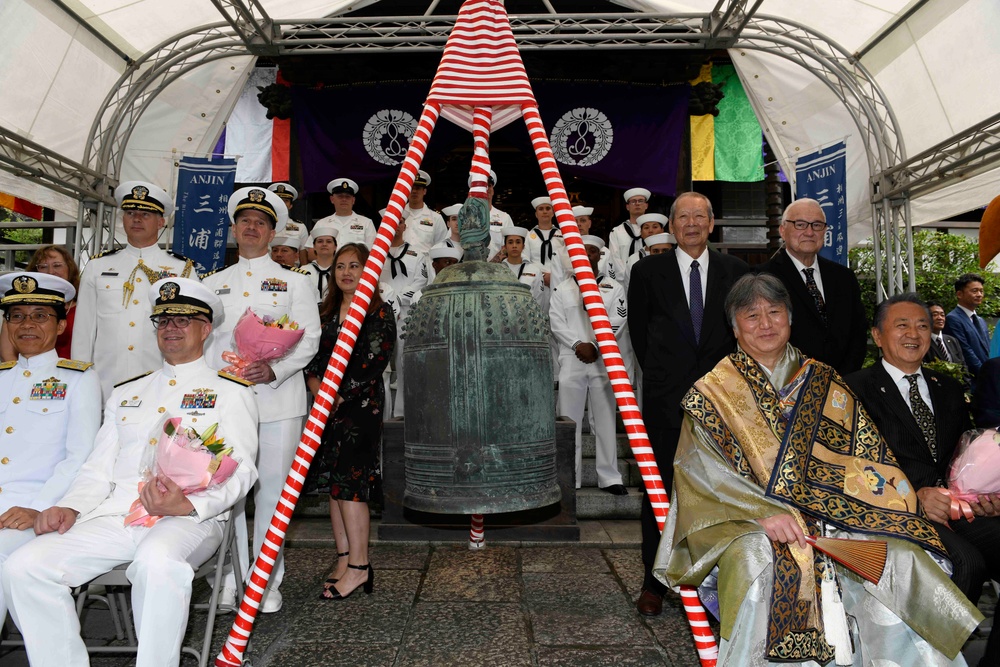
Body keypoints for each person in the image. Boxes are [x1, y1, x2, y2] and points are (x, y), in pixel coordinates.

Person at [655, 274, 981, 666]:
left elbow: (864, 456)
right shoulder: (712, 392)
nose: (765, 323)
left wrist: (849, 509)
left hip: (836, 515)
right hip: (745, 521)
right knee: (761, 559)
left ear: (790, 319)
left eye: (774, 312)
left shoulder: (825, 380)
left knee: (898, 554)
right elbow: (700, 474)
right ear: (734, 326)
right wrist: (761, 514)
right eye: (752, 315)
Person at [2, 277, 259, 667]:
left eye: (183, 321)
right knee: (25, 567)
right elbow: (97, 467)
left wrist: (188, 505)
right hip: (116, 515)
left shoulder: (231, 392)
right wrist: (71, 506)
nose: (171, 329)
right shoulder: (127, 393)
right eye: (164, 321)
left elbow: (242, 472)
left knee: (157, 563)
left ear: (205, 329)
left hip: (189, 520)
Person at [845, 293, 1000, 667]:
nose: (914, 333)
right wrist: (913, 496)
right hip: (895, 512)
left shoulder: (946, 387)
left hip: (955, 508)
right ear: (877, 336)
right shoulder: (852, 389)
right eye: (901, 325)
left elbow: (964, 456)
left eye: (922, 326)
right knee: (966, 563)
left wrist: (987, 493)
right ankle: (940, 659)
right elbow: (851, 468)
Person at [628, 191, 749, 616]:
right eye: (684, 216)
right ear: (671, 225)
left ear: (712, 223)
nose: (692, 223)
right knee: (659, 488)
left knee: (722, 491)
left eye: (700, 216)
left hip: (722, 403)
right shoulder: (647, 271)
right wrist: (667, 378)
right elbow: (641, 337)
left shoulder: (737, 271)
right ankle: (653, 582)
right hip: (667, 402)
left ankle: (718, 582)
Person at [202, 186, 321, 613]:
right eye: (245, 221)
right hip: (228, 405)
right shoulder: (211, 285)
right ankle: (233, 575)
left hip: (278, 402)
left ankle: (266, 580)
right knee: (229, 496)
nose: (252, 227)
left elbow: (309, 338)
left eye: (261, 222)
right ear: (234, 229)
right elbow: (202, 345)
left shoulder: (295, 281)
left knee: (272, 493)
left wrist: (276, 369)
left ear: (273, 232)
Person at [0, 272, 101, 623]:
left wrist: (38, 509)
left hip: (34, 513)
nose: (27, 324)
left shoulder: (79, 378)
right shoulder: (1, 378)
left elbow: (80, 458)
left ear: (60, 326)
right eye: (17, 316)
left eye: (40, 315)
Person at [305, 243, 395, 601]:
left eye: (354, 266)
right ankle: (344, 559)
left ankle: (360, 567)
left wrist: (337, 395)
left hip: (360, 407)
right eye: (340, 266)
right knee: (335, 483)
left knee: (352, 483)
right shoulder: (324, 312)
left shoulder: (378, 312)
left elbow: (373, 360)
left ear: (368, 270)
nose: (346, 272)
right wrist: (317, 388)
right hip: (325, 407)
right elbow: (312, 356)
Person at [73, 180, 198, 400]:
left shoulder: (182, 269)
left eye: (145, 214)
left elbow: (194, 331)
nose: (137, 219)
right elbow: (84, 331)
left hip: (161, 384)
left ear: (161, 222)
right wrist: (79, 380)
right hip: (106, 385)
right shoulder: (97, 266)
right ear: (123, 219)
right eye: (130, 213)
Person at [549, 235, 628, 495]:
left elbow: (619, 319)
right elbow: (556, 322)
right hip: (572, 359)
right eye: (582, 251)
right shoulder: (562, 288)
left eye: (592, 251)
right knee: (569, 421)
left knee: (605, 420)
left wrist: (595, 344)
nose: (587, 255)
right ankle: (570, 477)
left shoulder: (613, 287)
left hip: (603, 359)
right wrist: (577, 344)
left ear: (599, 255)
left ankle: (610, 477)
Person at [758, 198, 867, 376]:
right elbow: (761, 338)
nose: (809, 232)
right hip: (787, 386)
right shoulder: (763, 278)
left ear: (824, 231)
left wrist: (843, 379)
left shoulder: (844, 277)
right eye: (800, 224)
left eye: (817, 225)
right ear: (783, 230)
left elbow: (858, 334)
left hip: (841, 385)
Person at [381, 216, 428, 419]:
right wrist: (388, 300)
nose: (395, 226)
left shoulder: (416, 253)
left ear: (404, 226)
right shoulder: (375, 253)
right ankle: (381, 411)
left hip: (406, 312)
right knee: (380, 363)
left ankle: (401, 411)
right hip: (380, 312)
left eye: (399, 222)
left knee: (403, 361)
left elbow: (421, 279)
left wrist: (398, 299)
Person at [0, 245, 81, 361]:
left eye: (57, 265)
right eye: (43, 266)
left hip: (73, 375)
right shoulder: (18, 309)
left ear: (70, 268)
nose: (50, 272)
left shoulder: (85, 308)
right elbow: (7, 353)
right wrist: (24, 377)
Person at [945, 273, 991, 377]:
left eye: (981, 291)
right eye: (974, 291)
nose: (979, 294)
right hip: (973, 379)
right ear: (959, 294)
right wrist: (986, 375)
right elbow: (965, 352)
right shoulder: (953, 319)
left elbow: (988, 349)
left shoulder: (980, 320)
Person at [312, 178, 376, 249]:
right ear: (332, 199)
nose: (344, 199)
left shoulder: (366, 223)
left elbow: (372, 251)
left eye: (347, 197)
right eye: (340, 196)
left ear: (353, 200)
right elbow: (311, 251)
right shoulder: (321, 224)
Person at [402, 170, 448, 254]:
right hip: (400, 262)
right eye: (411, 188)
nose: (414, 191)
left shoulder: (435, 218)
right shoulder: (397, 215)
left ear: (424, 191)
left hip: (425, 264)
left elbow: (441, 245)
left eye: (418, 188)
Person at [620, 213, 669, 291]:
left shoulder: (671, 255)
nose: (650, 231)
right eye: (646, 228)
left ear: (662, 230)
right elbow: (628, 288)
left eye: (655, 227)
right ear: (641, 233)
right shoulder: (633, 259)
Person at [500, 226, 544, 309]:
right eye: (510, 242)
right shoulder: (498, 270)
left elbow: (539, 299)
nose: (514, 246)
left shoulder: (534, 271)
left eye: (518, 242)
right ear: (505, 247)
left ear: (523, 246)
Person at [608, 187, 649, 273]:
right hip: (623, 281)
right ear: (627, 207)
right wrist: (628, 276)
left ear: (646, 205)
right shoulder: (617, 232)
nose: (637, 204)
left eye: (640, 201)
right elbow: (614, 258)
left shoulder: (653, 231)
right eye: (633, 201)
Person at [267, 183, 310, 265]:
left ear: (291, 206)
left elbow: (303, 257)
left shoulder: (300, 227)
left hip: (293, 271)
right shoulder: (262, 225)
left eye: (285, 201)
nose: (282, 204)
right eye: (278, 200)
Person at [925, 300, 968, 369]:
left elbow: (963, 367)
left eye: (942, 315)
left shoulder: (953, 341)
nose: (940, 318)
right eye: (935, 315)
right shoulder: (921, 343)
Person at [306, 226, 338, 305]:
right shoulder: (304, 270)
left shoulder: (340, 270)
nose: (324, 244)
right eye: (320, 241)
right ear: (314, 247)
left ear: (335, 247)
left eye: (329, 241)